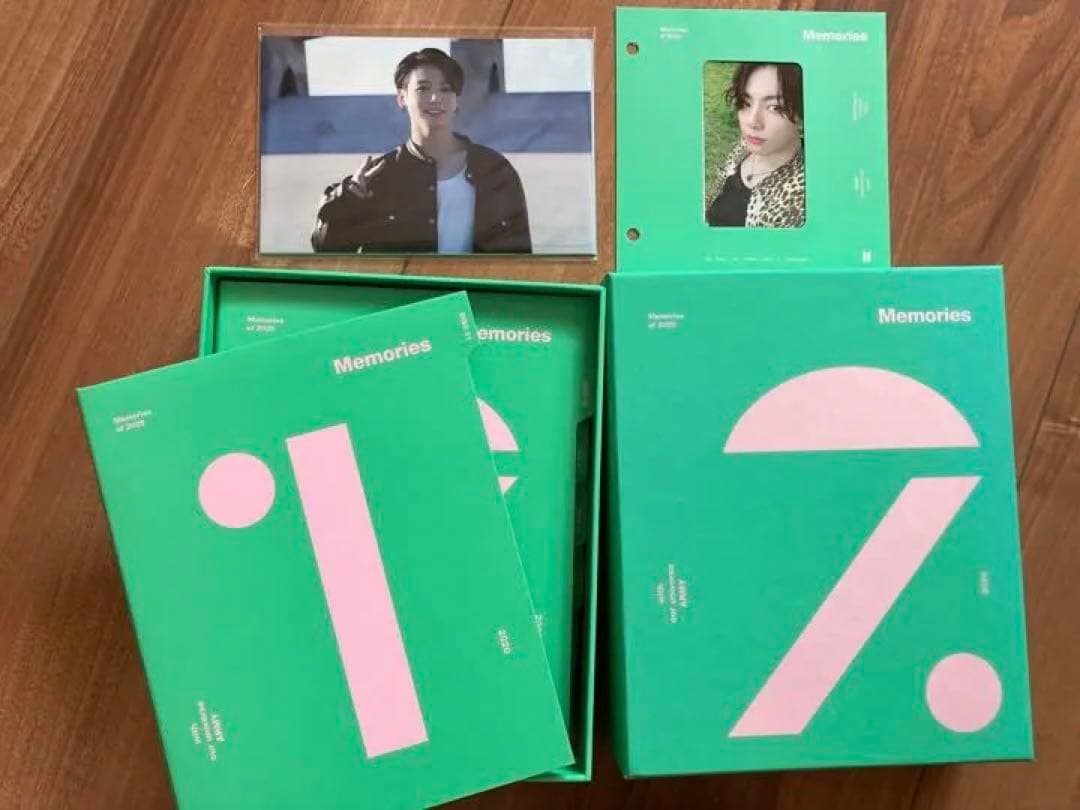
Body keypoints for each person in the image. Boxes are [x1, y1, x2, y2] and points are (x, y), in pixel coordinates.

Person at [311, 47, 532, 254]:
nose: (435, 98)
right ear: (402, 98)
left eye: (446, 89)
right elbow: (324, 249)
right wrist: (347, 199)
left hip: (473, 285)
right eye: (423, 89)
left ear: (457, 100)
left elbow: (520, 256)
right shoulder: (379, 177)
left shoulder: (494, 170)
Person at [706, 63, 805, 228]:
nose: (752, 122)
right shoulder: (746, 146)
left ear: (802, 114)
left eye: (775, 107)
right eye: (746, 103)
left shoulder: (799, 202)